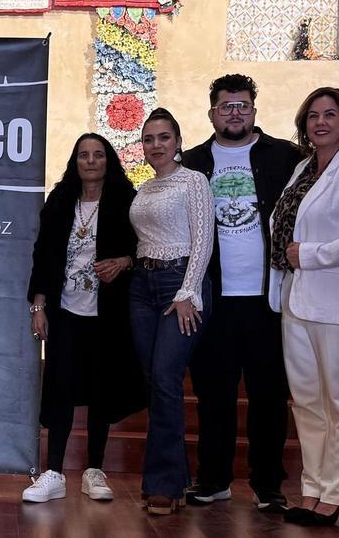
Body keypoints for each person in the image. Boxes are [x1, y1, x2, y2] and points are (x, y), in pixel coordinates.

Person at [182, 74, 302, 512]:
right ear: (212, 113)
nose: (235, 113)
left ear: (254, 110)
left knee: (269, 395)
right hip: (213, 298)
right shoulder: (192, 162)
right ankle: (214, 479)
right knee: (214, 395)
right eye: (226, 106)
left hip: (268, 298)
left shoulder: (286, 157)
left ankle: (268, 484)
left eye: (243, 105)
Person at [268, 87, 339, 527]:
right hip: (296, 300)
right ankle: (313, 488)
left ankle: (335, 496)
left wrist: (310, 254)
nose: (320, 122)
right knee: (307, 403)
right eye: (313, 115)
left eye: (330, 114)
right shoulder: (302, 169)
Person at [21, 134, 146, 503]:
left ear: (109, 160)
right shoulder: (60, 201)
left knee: (101, 390)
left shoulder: (126, 200)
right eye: (83, 155)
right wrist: (38, 306)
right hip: (65, 313)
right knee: (60, 388)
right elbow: (43, 254)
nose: (91, 161)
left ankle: (94, 470)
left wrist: (124, 262)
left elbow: (146, 247)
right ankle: (54, 473)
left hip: (108, 314)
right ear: (75, 162)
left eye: (98, 155)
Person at [127, 108, 214, 515]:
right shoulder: (144, 188)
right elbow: (143, 240)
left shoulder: (193, 181)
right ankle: (175, 480)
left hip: (179, 285)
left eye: (164, 137)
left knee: (165, 377)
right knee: (153, 380)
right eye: (149, 139)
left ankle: (163, 484)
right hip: (142, 287)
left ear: (178, 142)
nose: (156, 145)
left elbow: (203, 240)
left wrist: (188, 291)